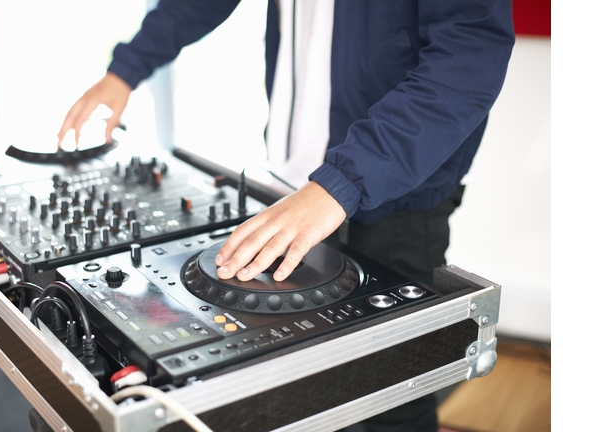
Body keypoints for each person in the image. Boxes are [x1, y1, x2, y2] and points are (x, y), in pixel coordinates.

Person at [57, 1, 515, 431]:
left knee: (392, 392)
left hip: (393, 195)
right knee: (301, 392)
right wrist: (127, 68)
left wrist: (344, 183)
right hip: (296, 184)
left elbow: (469, 55)